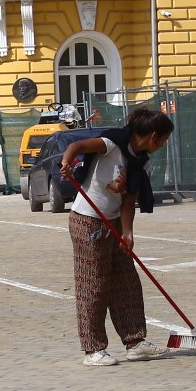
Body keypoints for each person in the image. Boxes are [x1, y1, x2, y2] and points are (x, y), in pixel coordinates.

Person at [57, 106, 176, 367]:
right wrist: (67, 163)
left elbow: (128, 200)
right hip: (87, 221)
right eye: (164, 140)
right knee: (94, 284)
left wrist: (128, 234)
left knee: (127, 282)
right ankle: (93, 349)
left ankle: (135, 342)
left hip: (112, 223)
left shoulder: (139, 159)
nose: (163, 145)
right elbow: (76, 146)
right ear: (154, 135)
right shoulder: (111, 143)